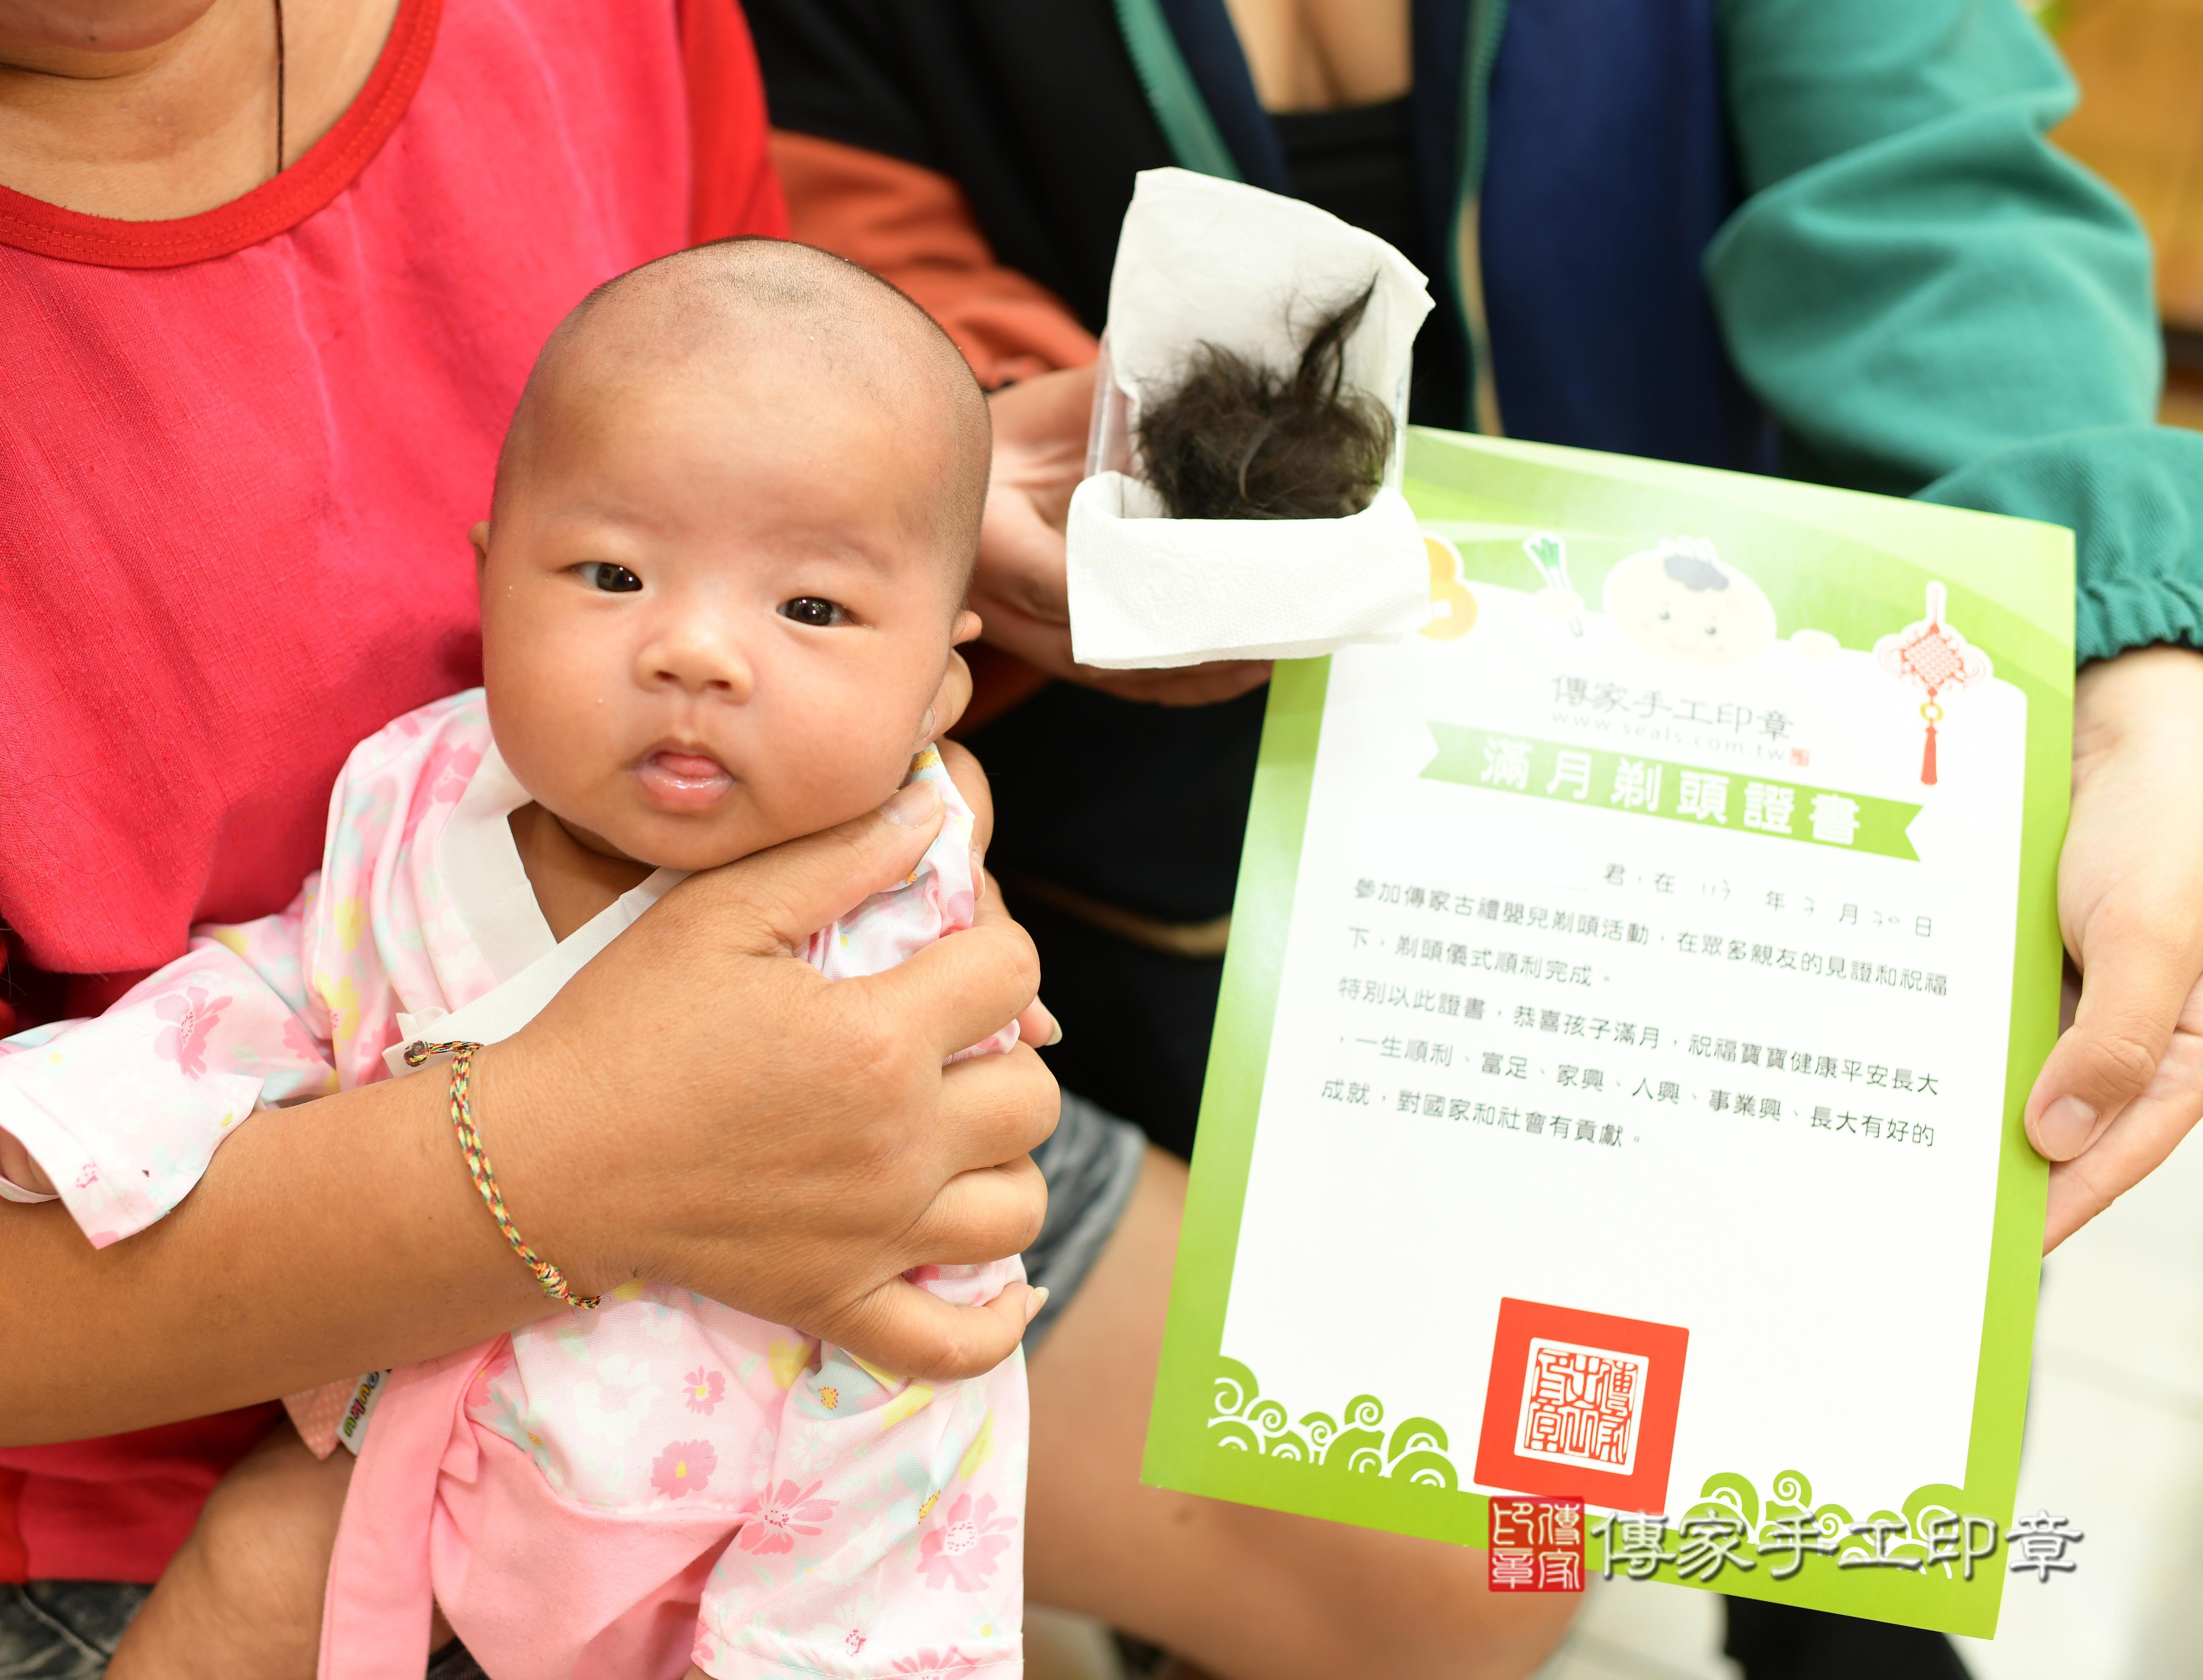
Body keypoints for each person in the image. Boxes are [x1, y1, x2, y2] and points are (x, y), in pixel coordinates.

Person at [0, 4, 1573, 1678]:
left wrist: (939, 518)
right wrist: (584, 1178)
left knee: (1480, 1549)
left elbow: (731, 363)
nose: (682, 647)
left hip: (832, 1146)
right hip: (164, 1413)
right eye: (603, 580)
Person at [744, 0, 2203, 1673]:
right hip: (1170, 888)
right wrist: (977, 437)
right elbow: (815, 224)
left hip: (1731, 811)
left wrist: (2117, 631)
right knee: (1340, 1526)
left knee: (1823, 1491)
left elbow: (1933, 188)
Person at [0, 239, 1036, 1680]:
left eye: (809, 609)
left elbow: (931, 1347)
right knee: (244, 1590)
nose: (696, 652)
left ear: (941, 680)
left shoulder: (898, 945)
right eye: (614, 574)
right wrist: (98, 1113)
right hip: (418, 1436)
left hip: (720, 1524)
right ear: (491, 582)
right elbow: (301, 981)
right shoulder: (420, 789)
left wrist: (795, 1638)